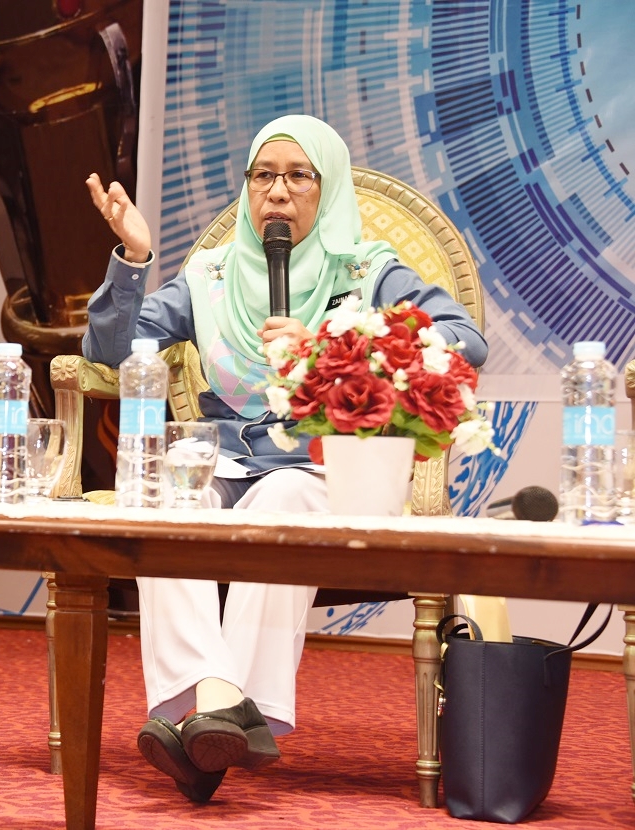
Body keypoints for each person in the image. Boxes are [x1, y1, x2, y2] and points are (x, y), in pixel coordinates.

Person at [82, 114, 488, 803]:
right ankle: (218, 705)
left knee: (279, 501)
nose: (277, 191)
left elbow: (463, 340)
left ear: (327, 189)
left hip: (323, 464)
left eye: (299, 176)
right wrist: (134, 258)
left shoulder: (367, 270)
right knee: (161, 500)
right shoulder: (210, 275)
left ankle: (204, 722)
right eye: (263, 175)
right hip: (220, 461)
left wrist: (333, 346)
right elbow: (113, 353)